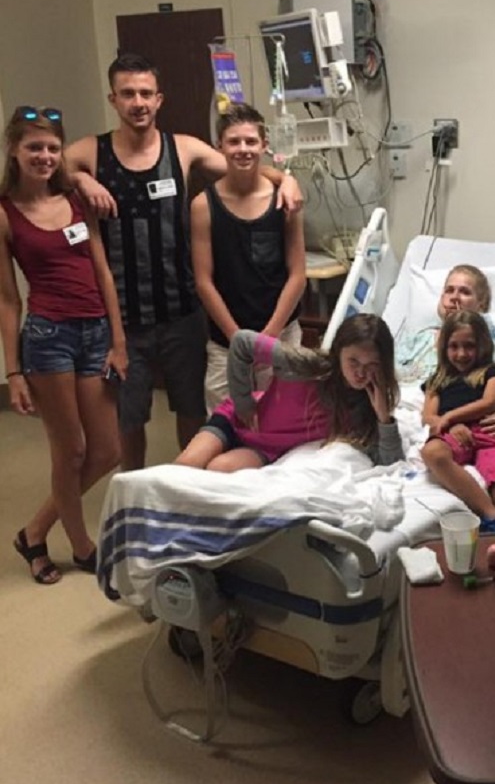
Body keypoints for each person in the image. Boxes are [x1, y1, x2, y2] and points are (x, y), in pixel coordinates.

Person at [65, 52, 303, 471]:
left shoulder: (183, 148)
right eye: (127, 94)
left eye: (146, 93)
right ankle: (138, 490)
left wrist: (288, 178)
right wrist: (82, 178)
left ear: (159, 99)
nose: (138, 102)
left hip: (183, 311)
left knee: (193, 411)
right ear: (113, 99)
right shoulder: (94, 151)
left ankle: (189, 485)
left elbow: (242, 163)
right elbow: (51, 167)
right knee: (130, 418)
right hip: (125, 314)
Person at [0, 106, 127, 585]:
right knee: (70, 451)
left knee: (107, 450)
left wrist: (118, 341)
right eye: (34, 147)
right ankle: (81, 546)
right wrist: (13, 371)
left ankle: (34, 531)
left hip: (96, 334)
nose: (45, 156)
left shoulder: (75, 199)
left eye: (53, 148)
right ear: (14, 150)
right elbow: (8, 300)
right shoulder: (5, 214)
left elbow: (102, 272)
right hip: (48, 339)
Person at [175, 313, 403, 472]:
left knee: (218, 470)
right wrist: (243, 402)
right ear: (338, 352)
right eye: (353, 361)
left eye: (371, 365)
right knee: (185, 467)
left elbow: (390, 465)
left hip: (266, 447)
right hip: (235, 421)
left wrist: (384, 418)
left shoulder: (363, 408)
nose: (361, 373)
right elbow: (242, 343)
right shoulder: (307, 365)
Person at [191, 103, 306, 412]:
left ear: (264, 145)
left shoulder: (286, 199)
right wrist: (237, 340)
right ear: (219, 145)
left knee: (283, 421)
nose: (243, 149)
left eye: (251, 141)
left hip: (281, 335)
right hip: (225, 343)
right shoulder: (203, 205)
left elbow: (297, 274)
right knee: (226, 424)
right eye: (234, 141)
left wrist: (269, 338)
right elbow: (204, 281)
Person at [421, 310, 495, 531]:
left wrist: (451, 416)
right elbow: (428, 416)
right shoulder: (437, 380)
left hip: (489, 432)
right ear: (444, 347)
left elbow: (490, 402)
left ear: (483, 345)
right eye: (454, 346)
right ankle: (492, 516)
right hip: (453, 433)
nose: (461, 353)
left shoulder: (494, 372)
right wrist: (451, 424)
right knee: (432, 453)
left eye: (469, 346)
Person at [395, 263, 495, 385]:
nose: (454, 297)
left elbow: (492, 377)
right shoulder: (417, 339)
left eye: (465, 292)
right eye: (449, 291)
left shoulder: (487, 342)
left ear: (481, 304)